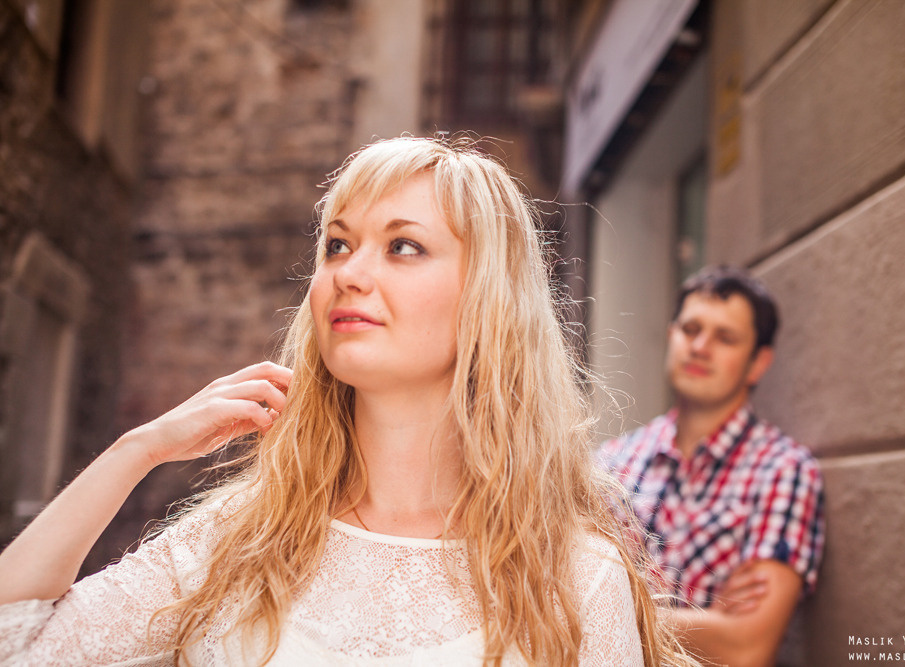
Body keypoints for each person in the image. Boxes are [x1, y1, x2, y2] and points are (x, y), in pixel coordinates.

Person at [0, 136, 699, 666]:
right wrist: (137, 451)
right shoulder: (239, 542)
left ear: (487, 301)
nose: (350, 274)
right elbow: (17, 645)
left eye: (403, 246)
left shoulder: (572, 578)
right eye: (337, 244)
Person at [598, 265, 824, 667]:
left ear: (758, 363)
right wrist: (708, 623)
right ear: (671, 336)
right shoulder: (610, 462)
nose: (700, 347)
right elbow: (562, 595)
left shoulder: (783, 471)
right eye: (690, 330)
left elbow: (746, 648)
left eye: (725, 338)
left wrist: (612, 607)